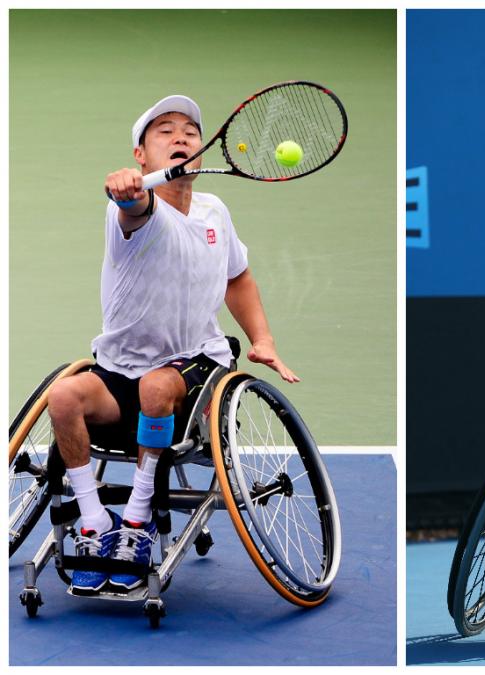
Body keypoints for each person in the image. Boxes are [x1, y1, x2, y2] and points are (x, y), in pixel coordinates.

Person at [45, 94, 299, 595]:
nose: (181, 136)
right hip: (119, 367)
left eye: (189, 130)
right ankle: (96, 523)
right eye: (164, 131)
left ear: (201, 151)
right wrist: (124, 193)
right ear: (141, 156)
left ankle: (138, 522)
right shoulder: (137, 209)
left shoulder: (214, 212)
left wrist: (262, 339)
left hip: (193, 365)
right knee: (63, 397)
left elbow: (238, 277)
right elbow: (133, 207)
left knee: (156, 389)